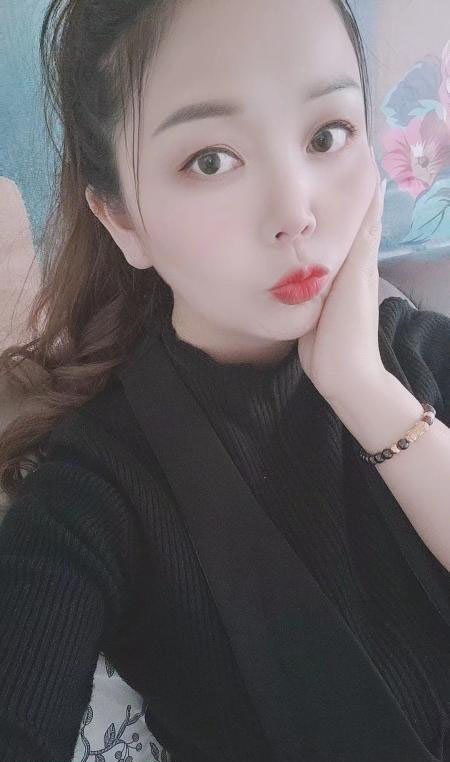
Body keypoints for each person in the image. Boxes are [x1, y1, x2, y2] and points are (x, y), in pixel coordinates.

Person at [0, 0, 449, 760]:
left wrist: (363, 389)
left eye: (327, 134)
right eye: (210, 160)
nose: (295, 212)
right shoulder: (97, 490)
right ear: (121, 220)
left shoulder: (422, 355)